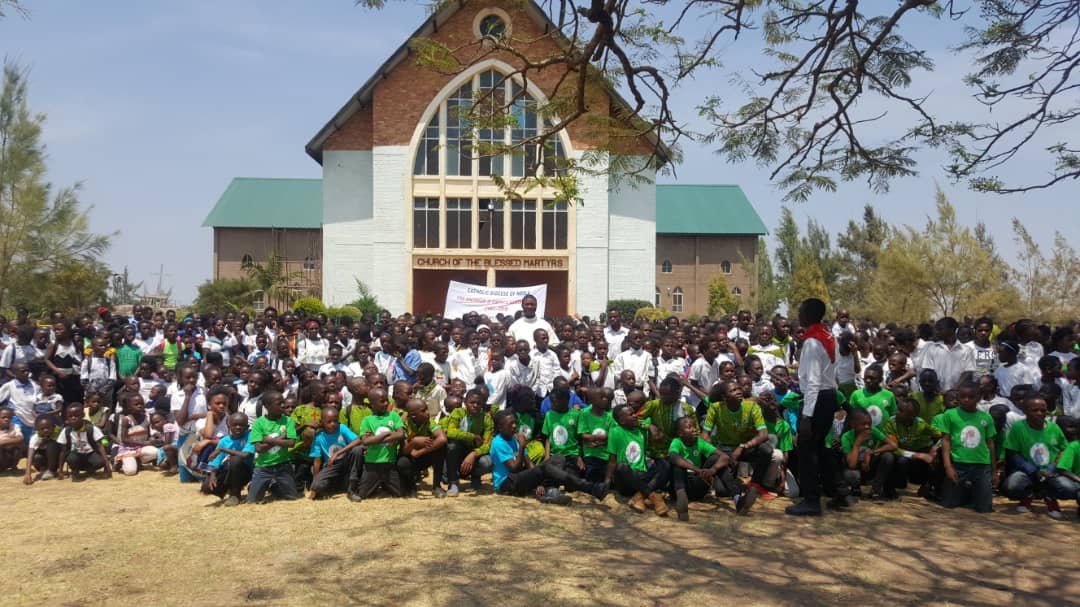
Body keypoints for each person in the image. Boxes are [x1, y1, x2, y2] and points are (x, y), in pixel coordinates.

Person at [786, 298, 841, 516]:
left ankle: (811, 500)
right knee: (821, 449)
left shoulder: (811, 341)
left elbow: (813, 380)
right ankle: (837, 492)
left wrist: (807, 416)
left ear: (808, 314)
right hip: (828, 396)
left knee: (807, 450)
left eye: (800, 310)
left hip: (816, 398)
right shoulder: (827, 335)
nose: (798, 314)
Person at [489, 409, 606, 505]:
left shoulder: (514, 438)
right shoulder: (499, 442)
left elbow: (529, 463)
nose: (514, 426)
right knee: (544, 469)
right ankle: (590, 488)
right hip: (506, 484)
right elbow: (513, 468)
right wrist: (521, 447)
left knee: (558, 458)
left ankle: (549, 490)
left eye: (515, 422)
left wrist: (537, 481)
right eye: (510, 424)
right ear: (500, 427)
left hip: (519, 477)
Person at [933, 381, 997, 513]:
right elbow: (946, 441)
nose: (966, 400)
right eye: (963, 396)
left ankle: (973, 494)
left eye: (971, 397)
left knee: (984, 509)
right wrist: (948, 466)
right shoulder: (950, 415)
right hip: (958, 464)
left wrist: (994, 471)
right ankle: (962, 492)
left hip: (981, 465)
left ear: (978, 398)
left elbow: (990, 443)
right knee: (948, 504)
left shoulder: (986, 418)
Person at [1000, 396, 1069, 519]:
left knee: (1068, 488)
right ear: (1026, 411)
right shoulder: (1018, 427)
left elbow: (1064, 450)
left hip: (1050, 472)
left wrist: (1051, 469)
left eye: (1043, 410)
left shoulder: (1054, 428)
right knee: (1012, 486)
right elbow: (1012, 452)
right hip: (1027, 471)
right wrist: (1033, 470)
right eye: (1035, 410)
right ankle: (1028, 494)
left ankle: (1050, 496)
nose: (1039, 413)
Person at [605, 404, 670, 516]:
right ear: (622, 421)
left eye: (634, 413)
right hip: (625, 480)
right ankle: (654, 497)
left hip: (642, 476)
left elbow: (658, 436)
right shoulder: (615, 432)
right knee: (621, 466)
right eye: (631, 415)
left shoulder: (641, 430)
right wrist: (607, 480)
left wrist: (649, 426)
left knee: (665, 464)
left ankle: (639, 496)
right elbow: (612, 460)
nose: (635, 416)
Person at [669, 416, 728, 522]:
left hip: (697, 487)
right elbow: (673, 457)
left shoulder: (700, 442)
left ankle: (738, 498)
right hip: (681, 484)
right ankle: (681, 498)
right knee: (678, 464)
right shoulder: (676, 442)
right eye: (689, 427)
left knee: (715, 458)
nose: (694, 429)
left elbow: (725, 457)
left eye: (695, 427)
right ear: (680, 433)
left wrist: (712, 470)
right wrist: (697, 469)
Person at [351, 387, 405, 501]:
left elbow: (400, 434)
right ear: (372, 404)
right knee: (363, 495)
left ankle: (384, 485)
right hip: (372, 464)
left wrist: (375, 439)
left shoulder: (393, 416)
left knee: (399, 493)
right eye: (382, 401)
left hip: (390, 463)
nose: (386, 403)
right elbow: (365, 441)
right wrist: (388, 434)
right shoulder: (367, 420)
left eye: (387, 400)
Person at [880, 398, 940, 498]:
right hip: (897, 455)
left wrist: (936, 447)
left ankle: (929, 487)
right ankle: (890, 487)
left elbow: (938, 434)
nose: (897, 412)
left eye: (900, 411)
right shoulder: (891, 423)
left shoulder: (921, 424)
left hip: (914, 455)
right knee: (899, 460)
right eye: (898, 409)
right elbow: (893, 449)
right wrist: (918, 455)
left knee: (936, 456)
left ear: (913, 416)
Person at [247, 390, 299, 504]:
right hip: (263, 467)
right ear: (267, 406)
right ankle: (261, 484)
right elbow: (259, 449)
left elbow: (291, 443)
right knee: (252, 501)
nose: (283, 405)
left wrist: (268, 440)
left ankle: (273, 486)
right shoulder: (258, 423)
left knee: (292, 497)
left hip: (283, 465)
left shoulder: (288, 420)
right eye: (279, 403)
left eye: (283, 402)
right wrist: (280, 438)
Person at [442, 388, 494, 495]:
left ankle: (475, 477)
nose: (475, 405)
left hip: (474, 452)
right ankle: (453, 483)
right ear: (465, 402)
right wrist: (472, 436)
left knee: (487, 462)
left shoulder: (486, 419)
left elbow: (488, 444)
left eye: (478, 403)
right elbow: (451, 432)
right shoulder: (458, 413)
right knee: (452, 446)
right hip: (458, 451)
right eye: (472, 402)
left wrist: (474, 454)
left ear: (483, 404)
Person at [839, 408, 898, 500]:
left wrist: (872, 452)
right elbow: (851, 465)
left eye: (869, 424)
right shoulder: (846, 437)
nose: (867, 427)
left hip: (869, 467)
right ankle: (855, 487)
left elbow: (893, 446)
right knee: (851, 473)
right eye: (863, 424)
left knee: (888, 457)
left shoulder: (873, 430)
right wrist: (857, 443)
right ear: (853, 425)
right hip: (856, 469)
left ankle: (876, 489)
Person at [308, 406, 364, 500]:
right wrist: (314, 483)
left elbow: (358, 440)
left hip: (346, 462)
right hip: (331, 466)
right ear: (322, 422)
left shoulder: (342, 428)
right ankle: (337, 486)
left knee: (357, 450)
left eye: (335, 420)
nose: (333, 424)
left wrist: (337, 454)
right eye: (329, 422)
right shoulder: (318, 437)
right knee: (317, 486)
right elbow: (317, 460)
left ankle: (351, 490)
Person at [397, 397, 448, 498]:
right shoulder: (402, 422)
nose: (428, 413)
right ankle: (411, 488)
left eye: (427, 409)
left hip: (421, 455)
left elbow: (442, 439)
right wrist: (415, 441)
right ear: (413, 415)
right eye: (423, 411)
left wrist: (419, 452)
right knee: (403, 462)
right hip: (407, 456)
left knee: (441, 448)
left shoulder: (428, 421)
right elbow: (404, 450)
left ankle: (436, 486)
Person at [201, 412, 254, 505]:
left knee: (235, 460)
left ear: (247, 426)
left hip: (249, 471)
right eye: (235, 425)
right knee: (207, 487)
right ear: (228, 426)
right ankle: (226, 489)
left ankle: (235, 495)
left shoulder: (251, 436)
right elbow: (215, 462)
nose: (238, 427)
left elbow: (245, 455)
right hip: (230, 470)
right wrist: (212, 474)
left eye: (241, 425)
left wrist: (222, 449)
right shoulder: (224, 441)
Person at [56, 404, 111, 482]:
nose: (73, 418)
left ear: (83, 415)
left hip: (90, 454)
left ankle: (90, 469)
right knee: (71, 458)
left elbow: (100, 446)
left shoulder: (91, 429)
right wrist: (60, 470)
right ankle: (75, 471)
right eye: (70, 416)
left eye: (76, 415)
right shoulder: (66, 431)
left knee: (99, 462)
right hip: (75, 455)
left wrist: (107, 466)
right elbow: (63, 451)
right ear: (67, 417)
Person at [578, 386, 614, 483]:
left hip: (606, 456)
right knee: (593, 476)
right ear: (592, 401)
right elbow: (583, 435)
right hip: (591, 455)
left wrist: (600, 441)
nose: (605, 399)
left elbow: (612, 437)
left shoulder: (609, 416)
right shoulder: (584, 414)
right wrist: (604, 436)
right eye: (602, 397)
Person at [0, 408, 23, 472]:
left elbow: (20, 438)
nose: (6, 419)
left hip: (10, 453)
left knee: (19, 446)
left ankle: (13, 467)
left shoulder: (15, 426)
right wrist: (12, 440)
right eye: (3, 417)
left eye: (9, 417)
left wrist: (2, 442)